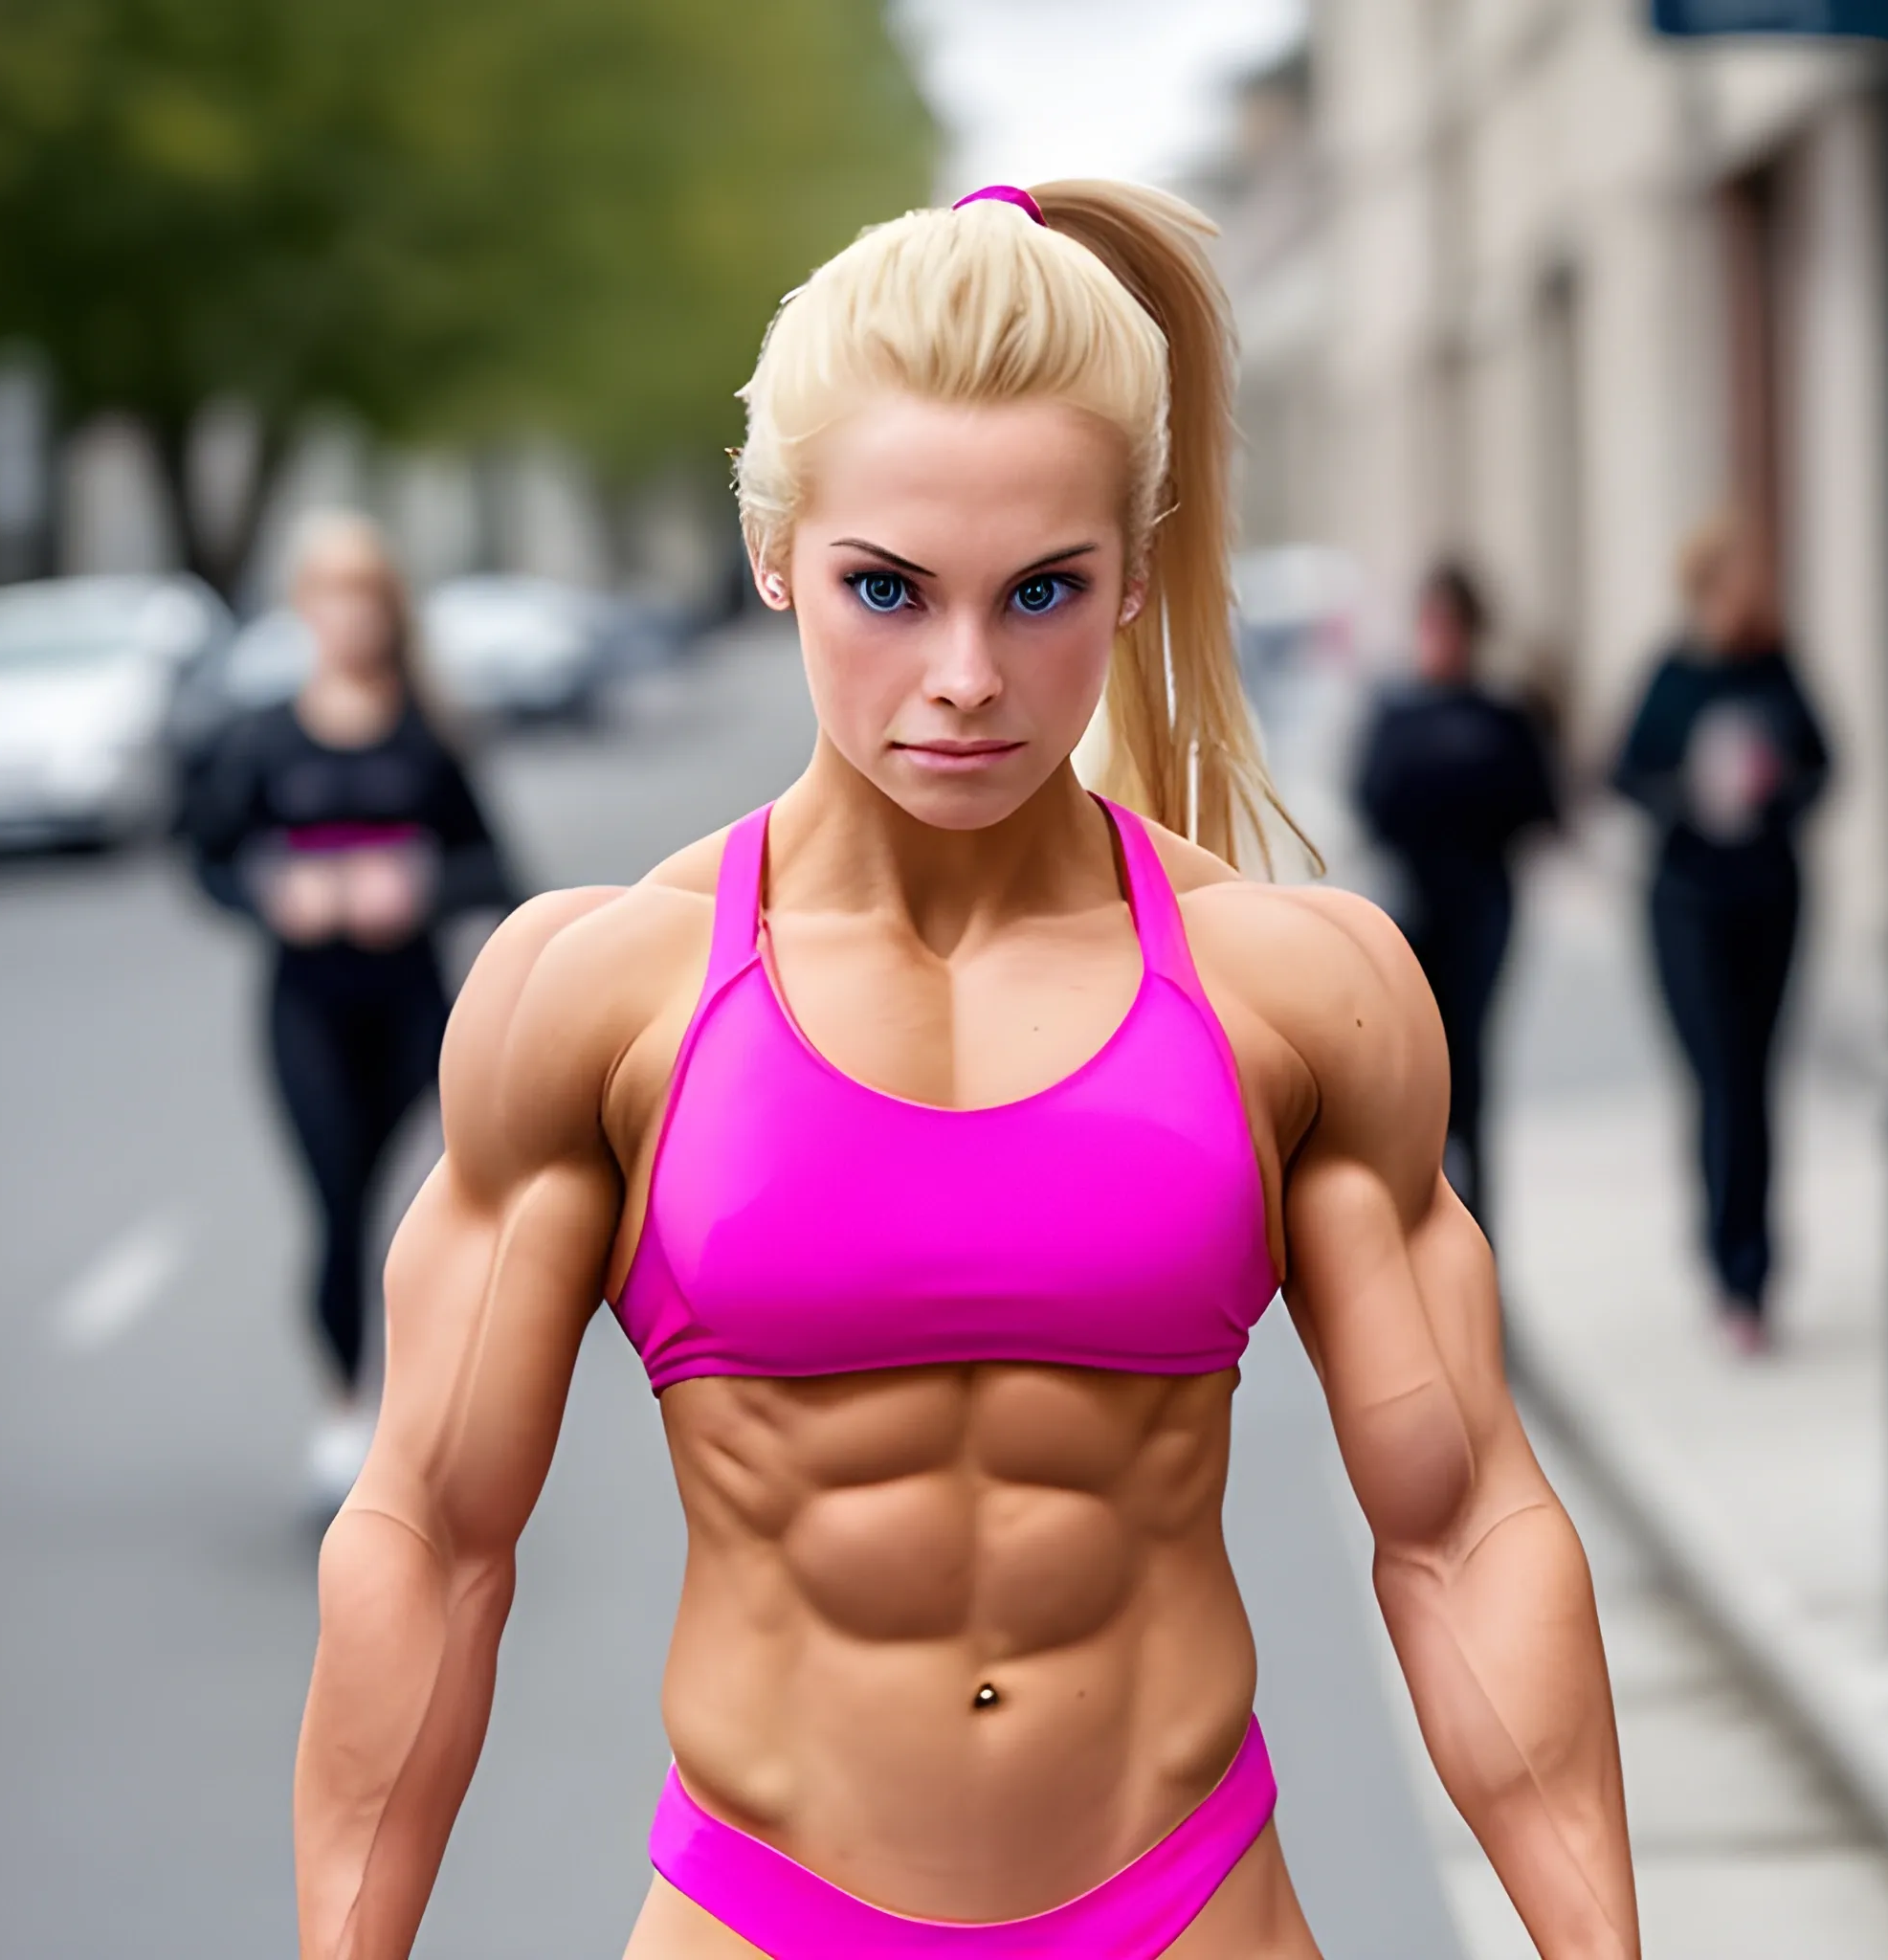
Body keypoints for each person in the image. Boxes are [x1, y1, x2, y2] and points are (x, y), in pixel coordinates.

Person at [294, 183, 1638, 1959]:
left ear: (1132, 573)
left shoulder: (1295, 994)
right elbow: (429, 1545)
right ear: (772, 550)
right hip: (762, 1918)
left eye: (1040, 594)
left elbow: (1462, 1524)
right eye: (885, 590)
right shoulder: (601, 997)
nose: (965, 679)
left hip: (1186, 1910)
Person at [188, 511, 516, 1511]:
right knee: (337, 1213)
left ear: (386, 608)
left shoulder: (426, 734)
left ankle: (429, 1415)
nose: (346, 617)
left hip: (413, 1009)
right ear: (303, 608)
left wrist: (415, 885)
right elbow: (205, 857)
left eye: (362, 595)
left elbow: (497, 868)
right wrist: (275, 895)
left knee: (420, 1223)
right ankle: (343, 1414)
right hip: (307, 1009)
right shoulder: (262, 739)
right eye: (326, 595)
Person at [1613, 512, 1830, 1355]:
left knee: (1755, 1079)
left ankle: (1755, 1272)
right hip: (1688, 905)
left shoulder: (1776, 668)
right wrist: (1690, 793)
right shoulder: (1673, 676)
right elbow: (1624, 772)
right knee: (1717, 1080)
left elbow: (1825, 764)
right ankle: (1726, 1265)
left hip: (1769, 899)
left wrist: (1774, 791)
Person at [1354, 562, 1557, 1237]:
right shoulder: (1396, 711)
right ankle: (1424, 1211)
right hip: (1414, 905)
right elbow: (1372, 802)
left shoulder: (1500, 713)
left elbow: (1538, 807)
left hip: (1483, 907)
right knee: (1418, 1065)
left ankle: (1478, 1225)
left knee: (1470, 1060)